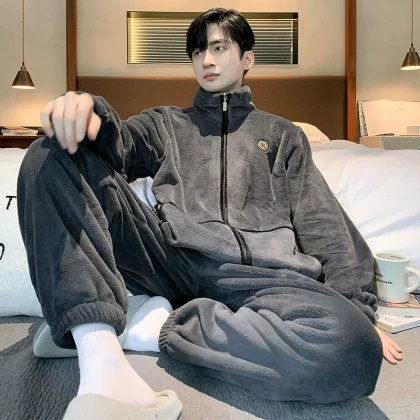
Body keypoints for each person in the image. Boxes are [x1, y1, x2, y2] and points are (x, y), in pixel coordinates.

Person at [18, 8, 402, 420]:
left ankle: (153, 326)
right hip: (170, 263)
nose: (207, 60)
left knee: (353, 350)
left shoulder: (283, 136)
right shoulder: (166, 124)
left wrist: (357, 311)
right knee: (50, 154)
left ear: (247, 58)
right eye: (198, 51)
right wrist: (87, 111)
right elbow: (117, 144)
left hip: (264, 280)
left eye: (219, 48)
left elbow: (324, 225)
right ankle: (96, 343)